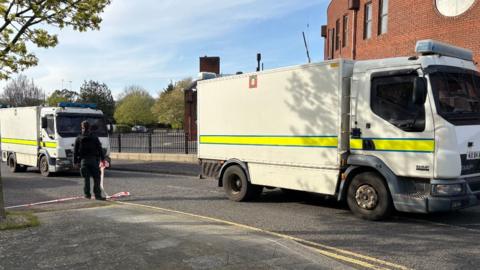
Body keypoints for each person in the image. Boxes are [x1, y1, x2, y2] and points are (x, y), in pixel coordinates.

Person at [74, 120, 106, 200]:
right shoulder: (94, 137)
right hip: (93, 160)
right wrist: (102, 159)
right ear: (90, 127)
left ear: (82, 127)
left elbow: (75, 151)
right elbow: (99, 149)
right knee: (96, 178)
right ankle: (97, 195)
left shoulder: (79, 138)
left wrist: (75, 162)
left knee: (86, 179)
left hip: (83, 161)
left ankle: (87, 195)